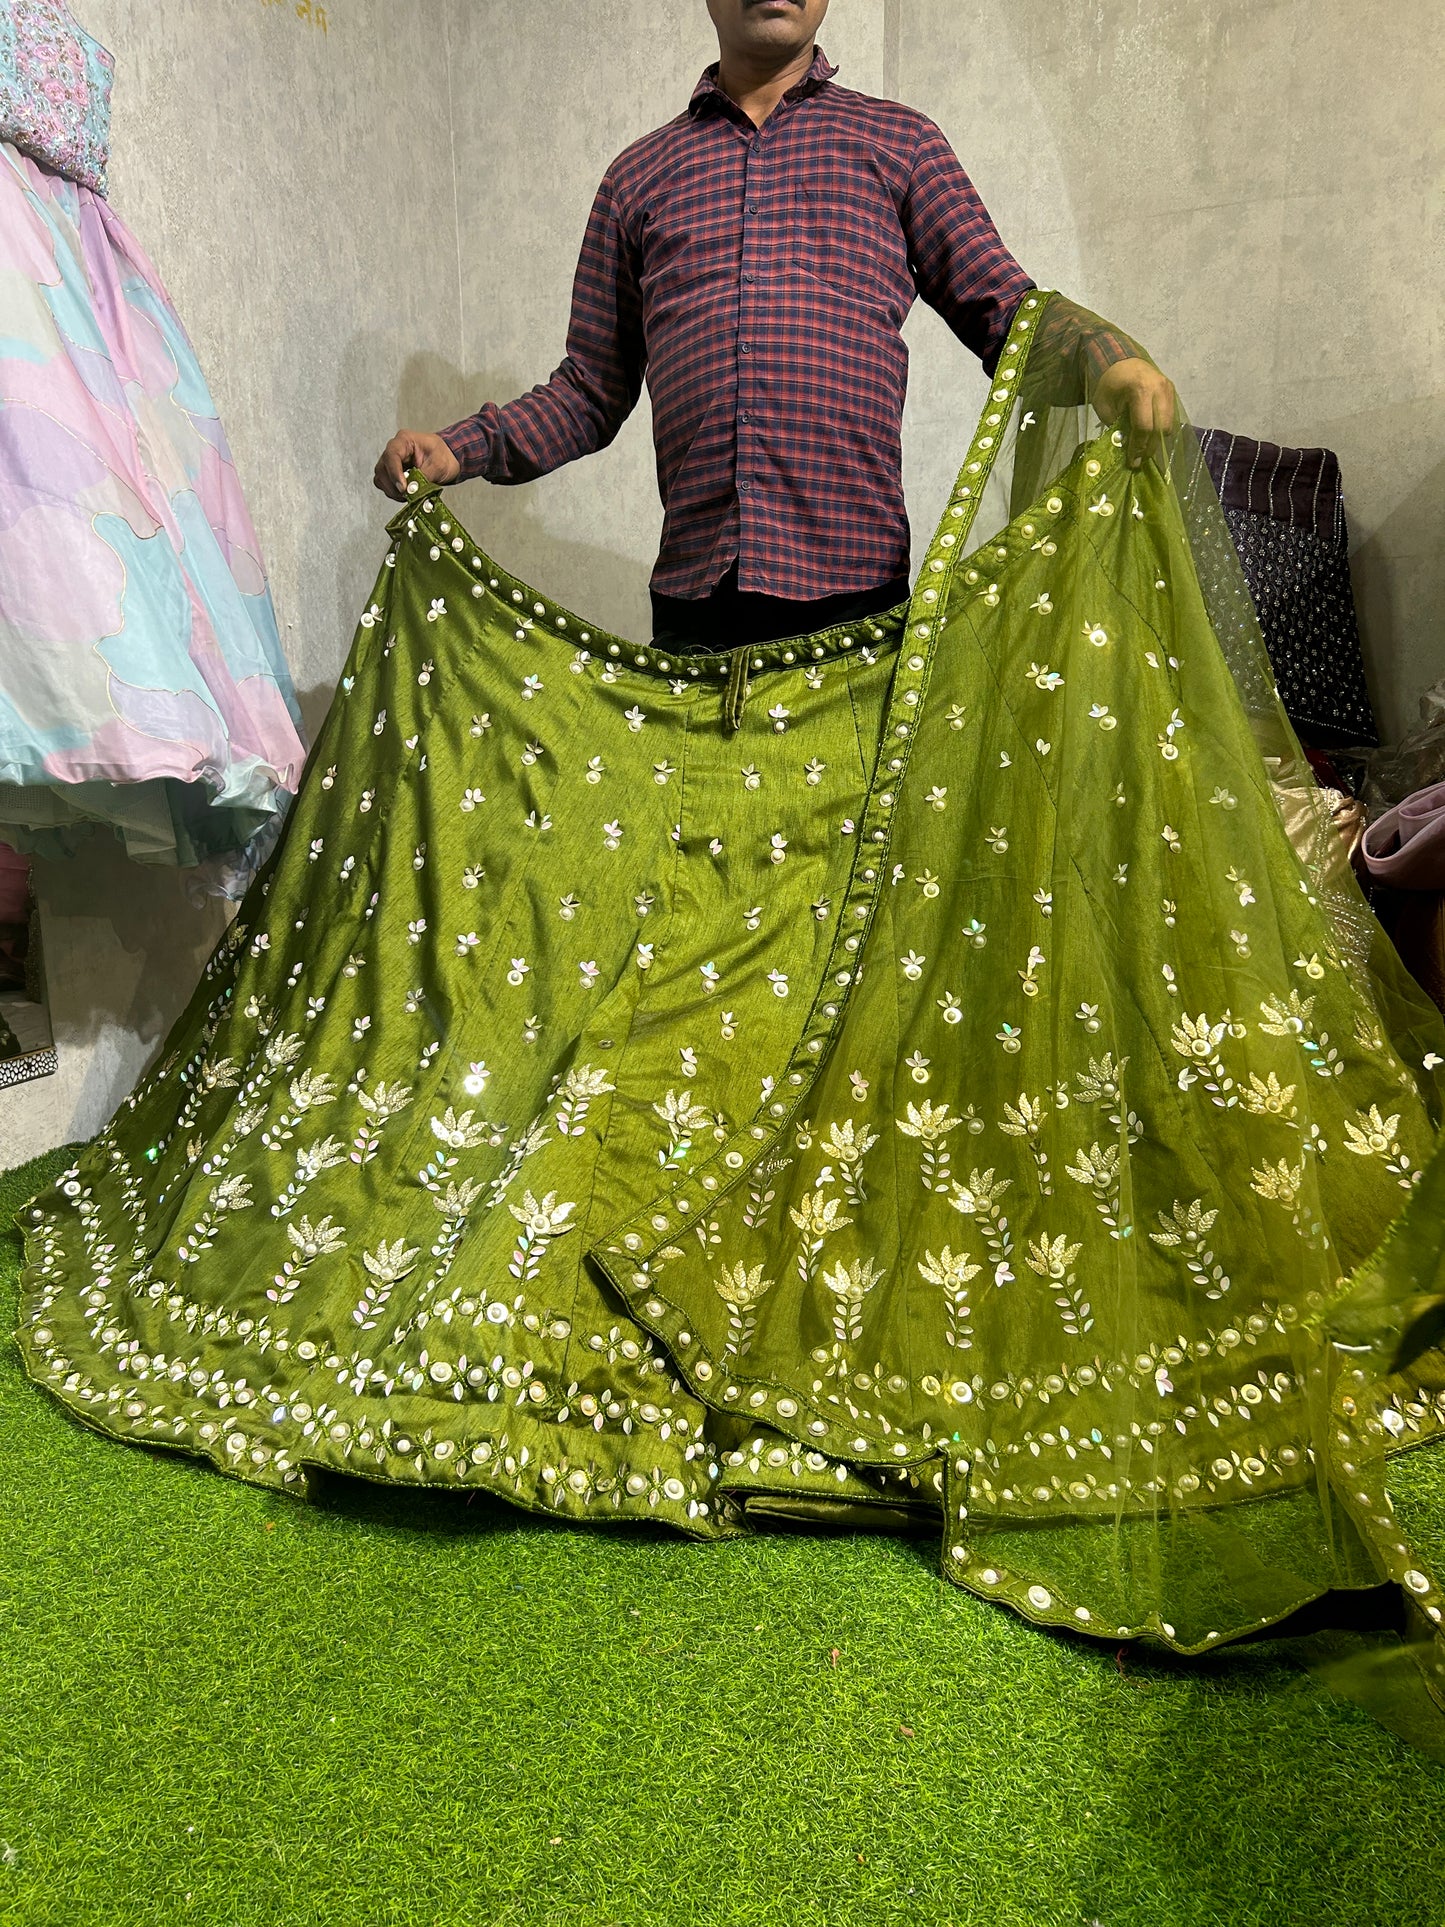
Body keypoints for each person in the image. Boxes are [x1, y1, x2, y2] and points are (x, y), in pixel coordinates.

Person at [373, 0, 1176, 650]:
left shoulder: (900, 144)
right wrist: (460, 447)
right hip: (693, 606)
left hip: (855, 600)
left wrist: (1106, 360)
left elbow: (1005, 310)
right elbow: (589, 390)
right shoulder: (636, 177)